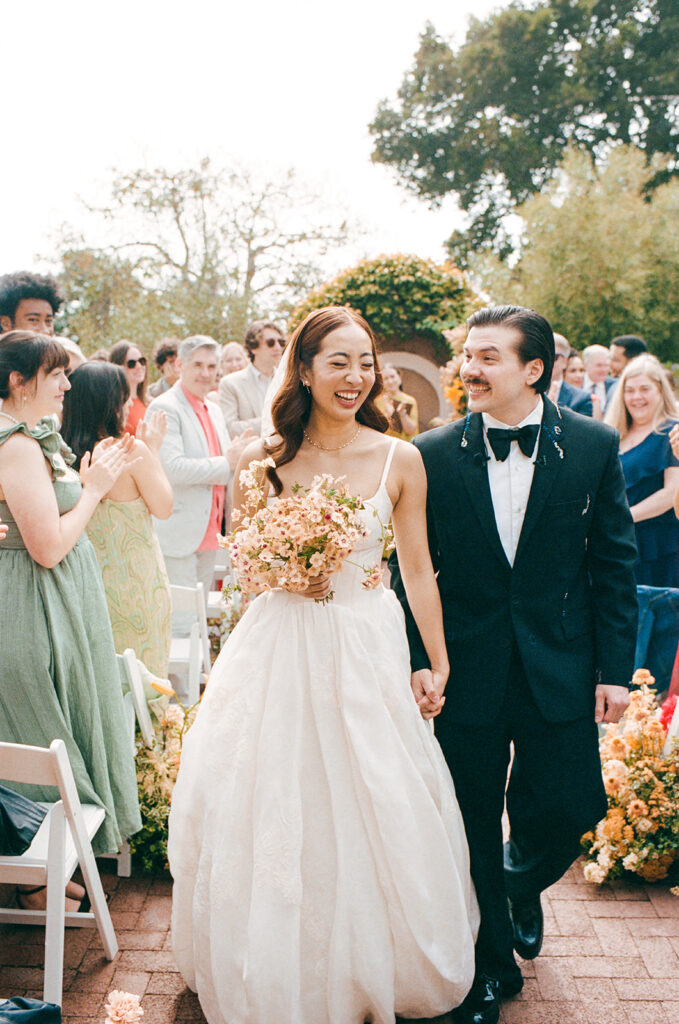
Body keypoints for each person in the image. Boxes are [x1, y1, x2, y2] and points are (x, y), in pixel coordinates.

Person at [168, 306, 479, 1024]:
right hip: (279, 645)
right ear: (303, 370)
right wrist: (284, 572)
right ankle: (280, 964)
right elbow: (244, 567)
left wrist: (436, 662)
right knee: (276, 790)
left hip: (367, 642)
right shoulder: (261, 459)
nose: (354, 376)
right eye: (338, 361)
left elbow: (419, 570)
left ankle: (376, 961)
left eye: (364, 361)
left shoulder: (400, 459)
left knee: (377, 790)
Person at [391, 305, 638, 1024]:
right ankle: (490, 966)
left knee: (570, 806)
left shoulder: (592, 444)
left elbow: (613, 564)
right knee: (469, 818)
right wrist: (420, 660)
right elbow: (413, 570)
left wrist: (614, 671)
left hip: (560, 662)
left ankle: (514, 883)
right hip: (465, 668)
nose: (469, 369)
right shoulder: (432, 452)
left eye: (488, 357)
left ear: (533, 370)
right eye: (468, 355)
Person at [0, 331, 142, 868]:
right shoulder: (16, 446)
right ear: (19, 381)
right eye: (55, 374)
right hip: (34, 605)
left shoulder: (29, 436)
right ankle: (38, 867)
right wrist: (94, 490)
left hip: (54, 599)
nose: (67, 384)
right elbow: (50, 548)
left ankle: (46, 872)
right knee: (44, 729)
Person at [61, 362, 174, 677]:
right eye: (124, 398)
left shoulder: (59, 456)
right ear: (110, 404)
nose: (128, 405)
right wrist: (153, 448)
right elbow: (164, 507)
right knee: (142, 685)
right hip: (137, 589)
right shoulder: (130, 450)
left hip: (80, 590)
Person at [148, 336, 251, 600]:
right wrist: (227, 461)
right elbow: (172, 469)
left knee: (201, 615)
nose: (205, 373)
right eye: (198, 365)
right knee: (181, 619)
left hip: (212, 532)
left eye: (211, 366)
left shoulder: (214, 410)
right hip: (180, 535)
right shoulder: (165, 407)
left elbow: (226, 465)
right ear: (179, 365)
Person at [605, 354, 679, 588]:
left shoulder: (672, 432)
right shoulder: (614, 434)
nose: (637, 397)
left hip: (658, 544)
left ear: (660, 391)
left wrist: (624, 517)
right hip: (617, 541)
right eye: (630, 390)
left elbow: (670, 494)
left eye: (645, 389)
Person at [219, 320, 284, 435]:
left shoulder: (288, 380)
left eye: (281, 342)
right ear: (253, 348)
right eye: (271, 343)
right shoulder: (230, 384)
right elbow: (229, 429)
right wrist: (274, 421)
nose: (278, 347)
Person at [110, 339, 149, 434]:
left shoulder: (150, 402)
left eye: (142, 361)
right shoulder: (114, 407)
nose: (139, 366)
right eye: (131, 363)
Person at [546, 334, 592, 414]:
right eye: (542, 356)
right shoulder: (525, 392)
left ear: (565, 361)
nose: (546, 361)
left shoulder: (582, 399)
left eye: (553, 357)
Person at [376, 362, 419, 439]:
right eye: (386, 378)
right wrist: (388, 414)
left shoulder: (409, 400)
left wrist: (402, 414)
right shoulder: (377, 401)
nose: (390, 381)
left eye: (392, 376)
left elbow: (411, 431)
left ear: (399, 377)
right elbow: (377, 429)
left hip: (404, 444)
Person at [582, 344, 616, 418]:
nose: (604, 370)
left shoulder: (615, 386)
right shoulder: (575, 383)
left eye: (606, 365)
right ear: (585, 365)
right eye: (599, 365)